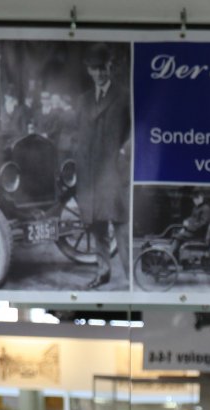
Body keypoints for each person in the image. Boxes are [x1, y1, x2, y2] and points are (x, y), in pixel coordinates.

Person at [76, 43, 130, 290]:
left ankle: (131, 279)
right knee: (97, 226)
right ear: (88, 70)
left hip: (114, 172)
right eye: (94, 68)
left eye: (103, 68)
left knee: (120, 225)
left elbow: (135, 132)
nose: (99, 73)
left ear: (110, 67)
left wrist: (124, 154)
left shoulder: (125, 96)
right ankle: (103, 271)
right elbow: (79, 134)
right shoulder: (84, 100)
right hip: (90, 174)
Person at [171, 189, 210, 258]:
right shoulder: (197, 207)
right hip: (194, 232)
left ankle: (170, 257)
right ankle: (175, 256)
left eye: (196, 198)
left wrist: (188, 228)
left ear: (201, 198)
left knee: (178, 236)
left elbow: (202, 224)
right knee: (177, 233)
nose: (195, 201)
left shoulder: (206, 209)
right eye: (194, 199)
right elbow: (192, 218)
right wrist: (186, 222)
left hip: (199, 235)